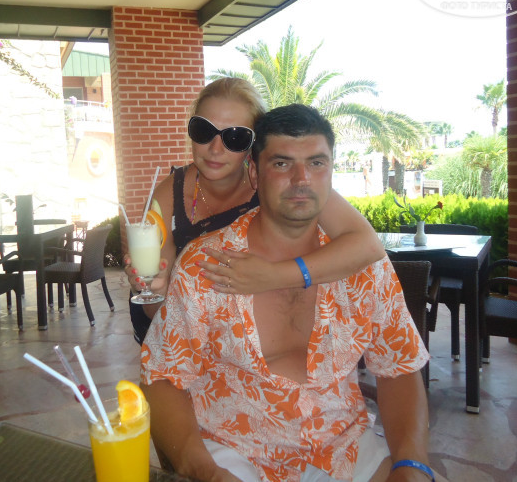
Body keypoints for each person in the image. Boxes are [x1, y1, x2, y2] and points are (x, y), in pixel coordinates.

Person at [141, 104, 432, 482]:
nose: (301, 179)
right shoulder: (207, 264)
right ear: (254, 173)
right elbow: (162, 376)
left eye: (316, 163)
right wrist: (203, 469)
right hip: (232, 448)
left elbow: (399, 367)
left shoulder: (363, 268)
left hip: (342, 443)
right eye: (281, 164)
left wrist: (411, 464)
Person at [127, 78, 385, 344]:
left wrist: (275, 276)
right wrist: (154, 290)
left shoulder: (276, 185)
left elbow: (368, 245)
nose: (215, 149)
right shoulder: (169, 195)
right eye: (204, 131)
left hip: (255, 336)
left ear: (254, 145)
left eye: (235, 137)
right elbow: (160, 313)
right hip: (180, 335)